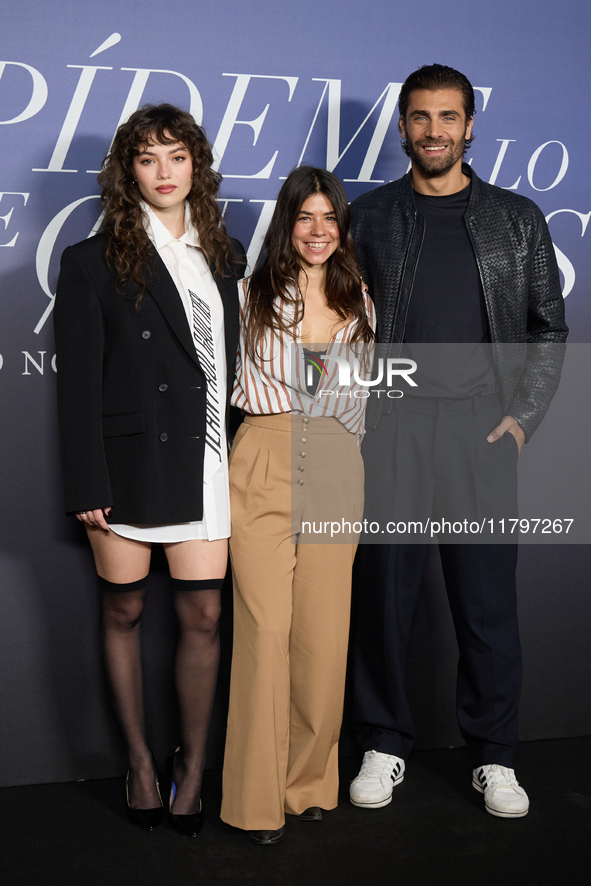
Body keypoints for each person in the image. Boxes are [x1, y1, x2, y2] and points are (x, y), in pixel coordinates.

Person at [348, 65, 567, 818]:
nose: (433, 130)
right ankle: (382, 741)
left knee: (485, 606)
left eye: (447, 117)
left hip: (480, 432)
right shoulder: (367, 217)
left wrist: (522, 419)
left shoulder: (515, 218)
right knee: (383, 599)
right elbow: (336, 326)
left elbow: (547, 326)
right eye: (419, 117)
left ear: (469, 126)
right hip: (394, 430)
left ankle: (495, 757)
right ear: (402, 127)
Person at [54, 104, 245, 835]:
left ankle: (192, 771)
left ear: (196, 165)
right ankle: (138, 763)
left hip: (205, 465)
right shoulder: (90, 260)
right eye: (146, 159)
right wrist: (86, 482)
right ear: (126, 171)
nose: (163, 173)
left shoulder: (225, 257)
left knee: (203, 614)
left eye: (176, 156)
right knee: (124, 611)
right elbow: (78, 387)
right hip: (127, 466)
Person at [220, 166, 375, 844]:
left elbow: (358, 402)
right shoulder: (246, 295)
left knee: (322, 634)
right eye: (304, 217)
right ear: (287, 223)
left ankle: (308, 783)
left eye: (328, 217)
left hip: (337, 462)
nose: (317, 230)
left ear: (342, 227)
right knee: (264, 628)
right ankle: (253, 800)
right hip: (262, 454)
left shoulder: (360, 301)